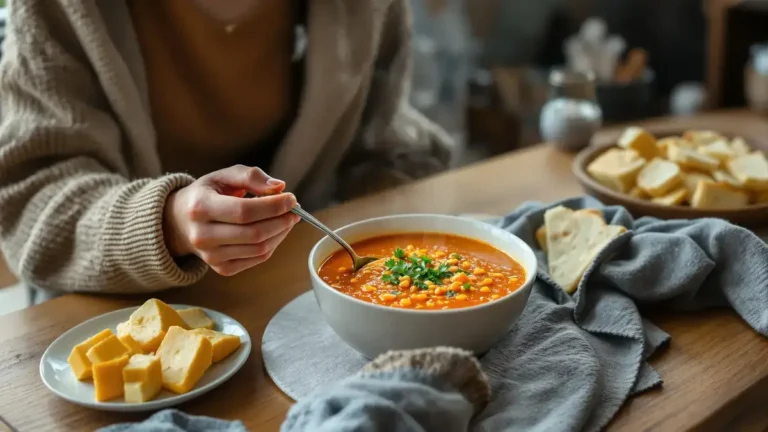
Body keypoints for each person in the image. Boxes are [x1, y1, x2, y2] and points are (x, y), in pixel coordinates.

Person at [0, 0, 453, 301]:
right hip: (108, 314)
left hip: (295, 294)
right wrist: (167, 224)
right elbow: (31, 202)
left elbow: (380, 141)